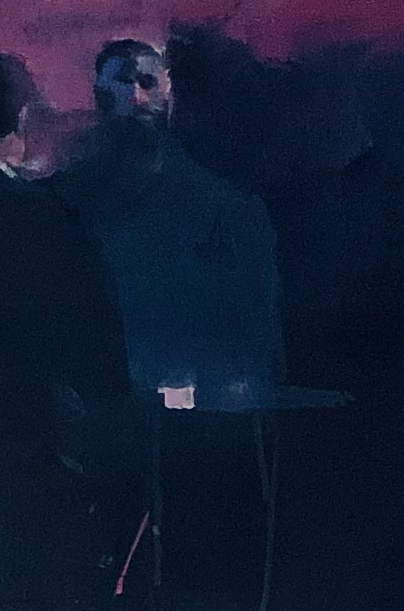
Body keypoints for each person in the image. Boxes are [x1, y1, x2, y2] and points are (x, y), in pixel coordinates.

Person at [52, 37, 285, 411]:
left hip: (190, 402)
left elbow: (249, 328)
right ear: (99, 97)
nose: (136, 98)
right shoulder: (66, 198)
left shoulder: (220, 205)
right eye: (123, 83)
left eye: (147, 83)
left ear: (169, 95)